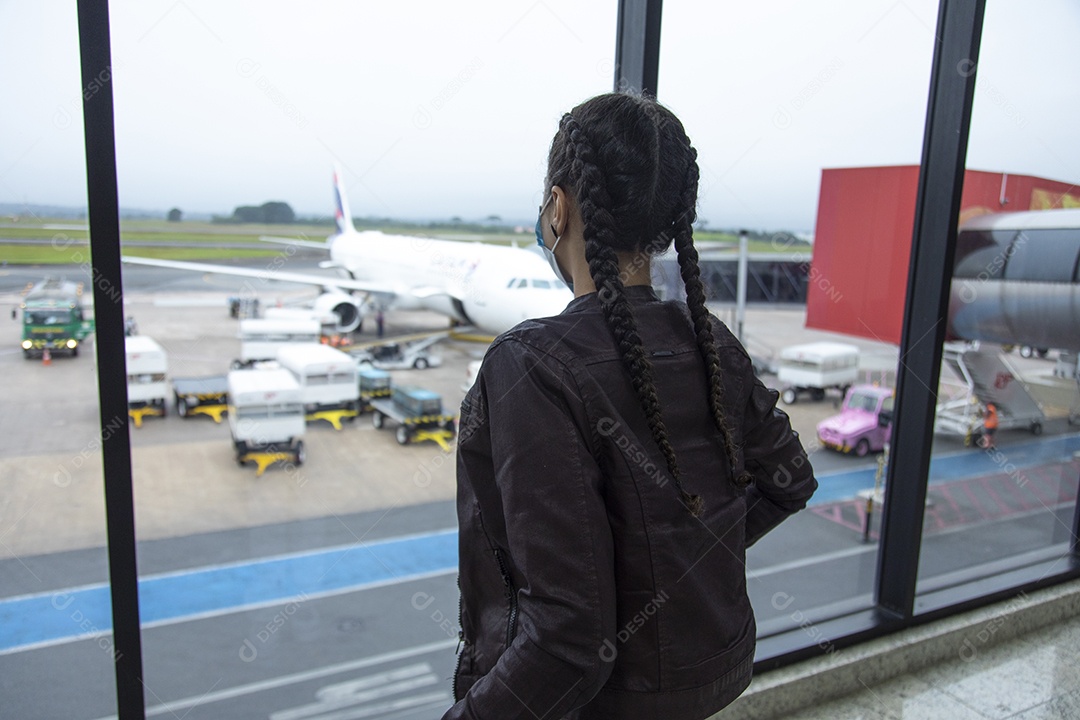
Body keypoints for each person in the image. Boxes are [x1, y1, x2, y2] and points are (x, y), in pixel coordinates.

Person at [445, 93, 817, 720]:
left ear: (558, 208)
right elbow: (789, 481)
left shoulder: (531, 363)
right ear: (668, 223)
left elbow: (568, 639)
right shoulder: (709, 339)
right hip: (710, 674)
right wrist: (679, 567)